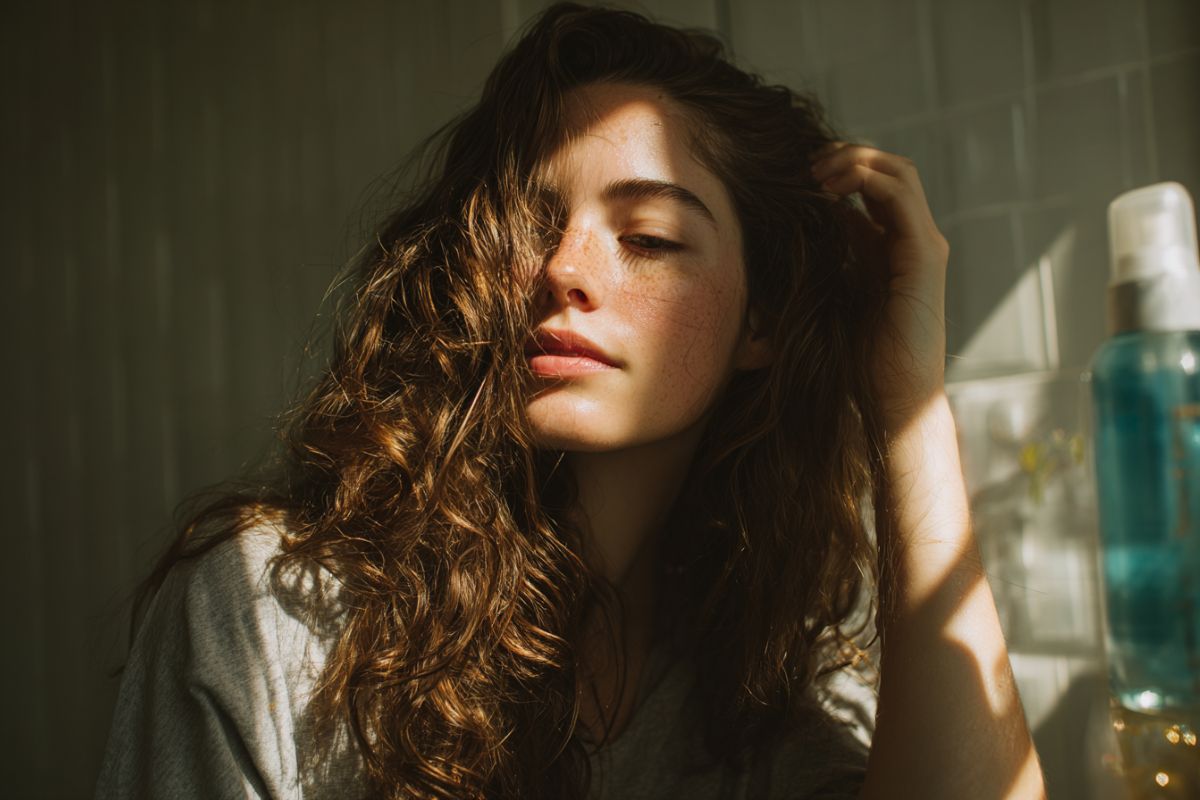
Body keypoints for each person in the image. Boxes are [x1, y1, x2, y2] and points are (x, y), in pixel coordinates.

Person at [95, 3, 1047, 799]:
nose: (561, 272)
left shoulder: (757, 700)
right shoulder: (269, 617)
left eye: (651, 238)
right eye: (527, 224)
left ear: (762, 321)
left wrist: (906, 400)